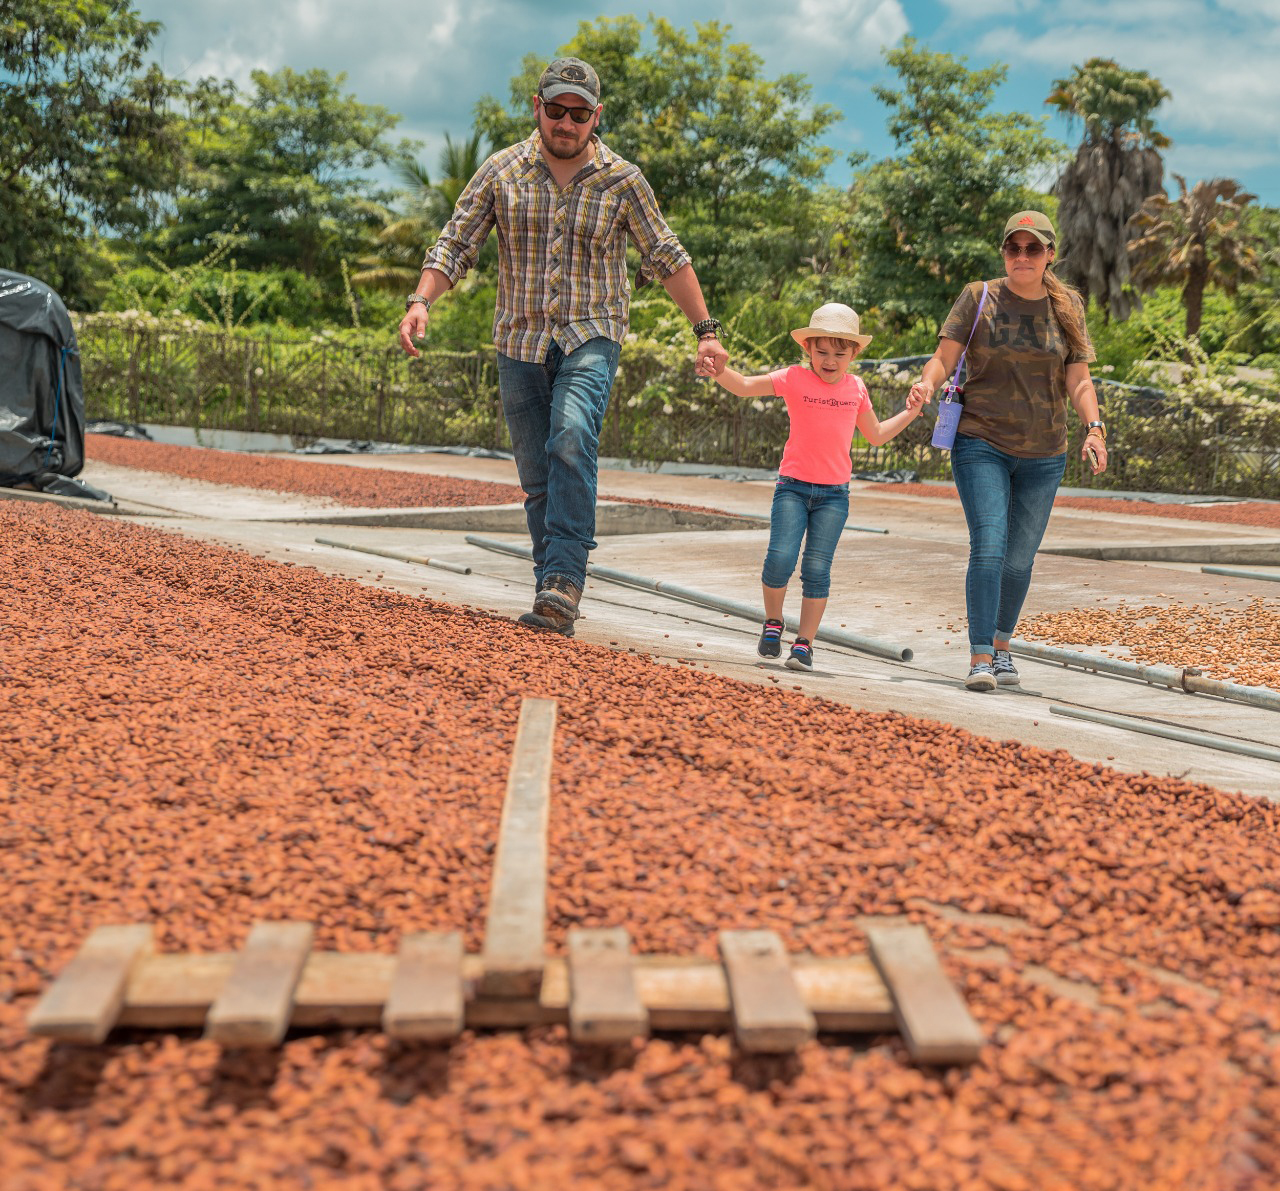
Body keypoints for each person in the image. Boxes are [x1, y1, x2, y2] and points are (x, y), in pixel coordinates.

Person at [398, 56, 727, 635]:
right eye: (556, 110)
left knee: (571, 438)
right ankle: (550, 590)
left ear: (596, 117)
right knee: (537, 477)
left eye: (579, 114)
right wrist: (421, 300)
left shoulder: (623, 181)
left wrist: (706, 331)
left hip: (592, 333)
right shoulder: (501, 171)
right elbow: (456, 243)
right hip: (519, 338)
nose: (566, 123)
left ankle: (565, 580)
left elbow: (667, 255)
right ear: (538, 107)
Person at [909, 210, 1109, 692]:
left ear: (1049, 255)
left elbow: (1079, 380)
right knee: (990, 543)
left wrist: (1095, 428)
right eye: (1013, 247)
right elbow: (944, 357)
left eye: (1032, 248)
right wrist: (927, 383)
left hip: (1046, 452)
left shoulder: (1068, 307)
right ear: (1004, 252)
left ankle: (1002, 647)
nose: (1022, 255)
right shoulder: (979, 296)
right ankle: (980, 656)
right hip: (981, 441)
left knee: (1019, 559)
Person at [708, 303, 925, 671]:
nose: (830, 360)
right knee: (780, 558)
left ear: (854, 354)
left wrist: (911, 412)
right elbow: (743, 386)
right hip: (792, 488)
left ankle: (804, 644)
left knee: (817, 569)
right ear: (807, 348)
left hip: (834, 496)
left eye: (839, 354)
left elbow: (875, 435)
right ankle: (773, 622)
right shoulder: (793, 377)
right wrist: (718, 370)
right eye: (821, 351)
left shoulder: (856, 387)